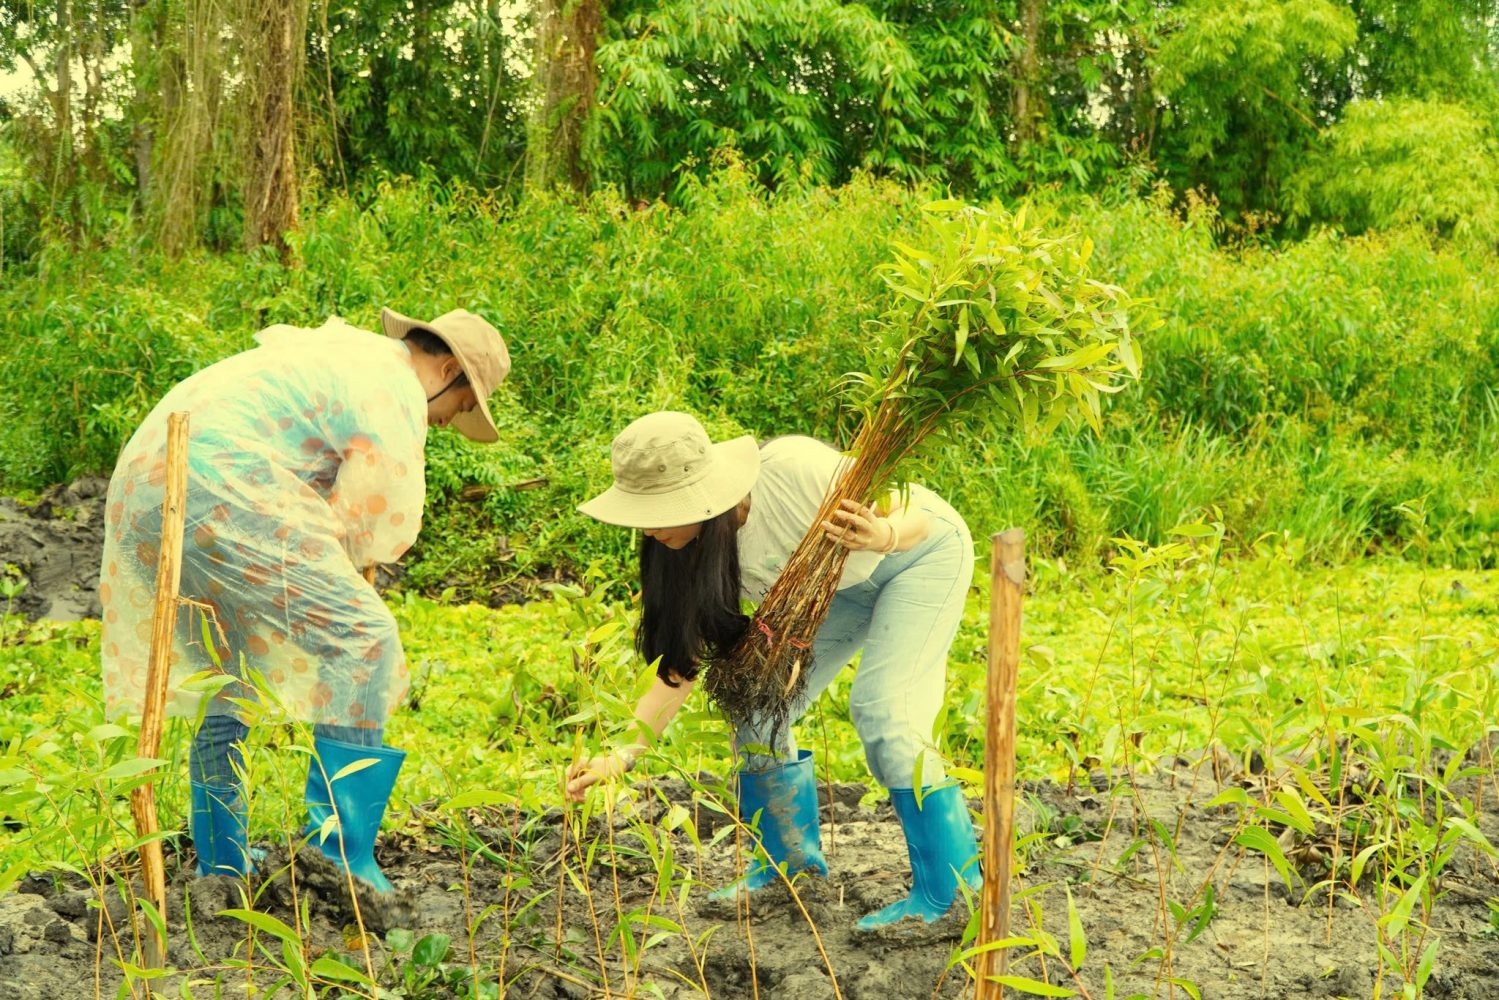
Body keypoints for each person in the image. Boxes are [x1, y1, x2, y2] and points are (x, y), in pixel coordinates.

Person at [100, 308, 510, 888]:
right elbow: (369, 526)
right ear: (446, 370)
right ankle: (340, 863)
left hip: (149, 482)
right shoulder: (393, 386)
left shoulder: (345, 358)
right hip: (220, 479)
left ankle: (221, 864)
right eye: (461, 406)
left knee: (229, 674)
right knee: (364, 637)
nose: (447, 421)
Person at [565, 410, 980, 929]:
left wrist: (884, 535)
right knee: (755, 705)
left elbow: (914, 509)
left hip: (915, 558)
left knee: (885, 713)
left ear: (703, 496)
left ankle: (951, 896)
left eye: (658, 510)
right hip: (836, 591)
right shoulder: (683, 551)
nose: (647, 527)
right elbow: (682, 662)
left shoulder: (794, 470)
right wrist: (624, 753)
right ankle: (789, 873)